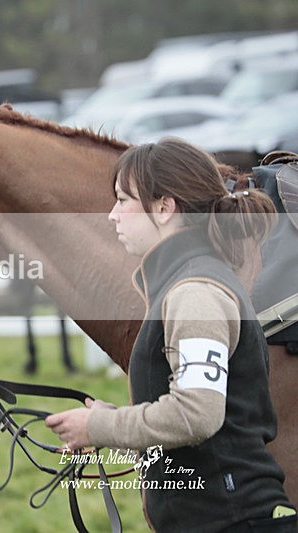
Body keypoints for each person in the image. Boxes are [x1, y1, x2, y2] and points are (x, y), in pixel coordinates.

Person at [45, 138, 296, 532]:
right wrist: (116, 420)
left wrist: (98, 428)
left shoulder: (195, 292)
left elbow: (196, 414)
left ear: (164, 208)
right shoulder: (185, 283)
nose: (112, 215)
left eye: (123, 200)